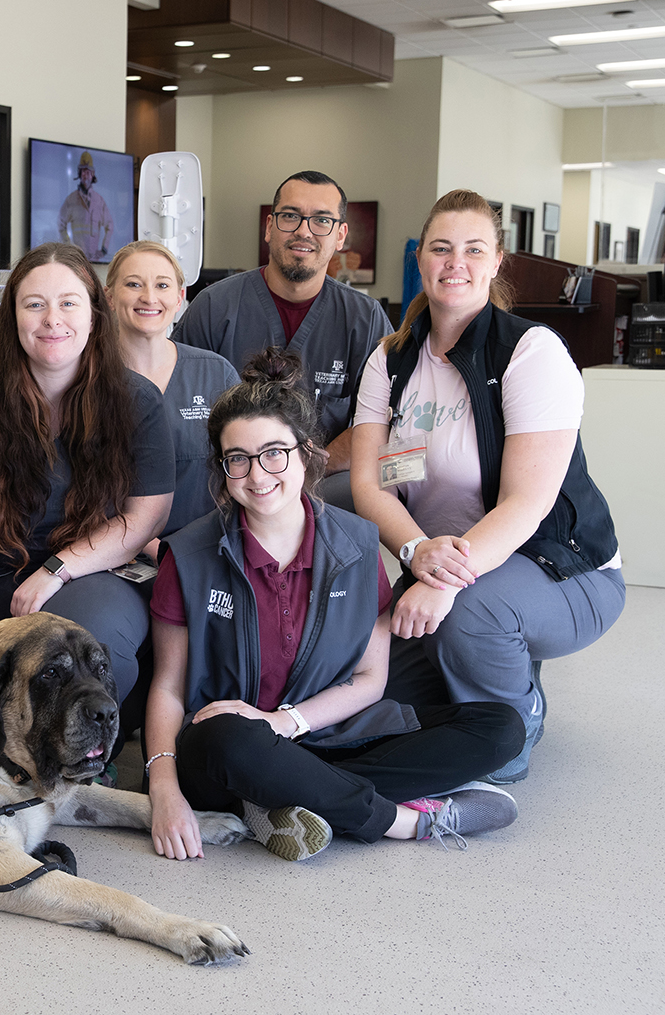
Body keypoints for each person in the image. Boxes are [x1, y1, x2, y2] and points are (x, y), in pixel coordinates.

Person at [144, 348, 525, 864]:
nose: (258, 476)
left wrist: (287, 723)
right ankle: (402, 820)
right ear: (222, 467)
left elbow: (370, 679)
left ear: (307, 454)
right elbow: (168, 687)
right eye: (238, 459)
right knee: (223, 738)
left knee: (501, 727)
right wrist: (164, 788)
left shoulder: (357, 544)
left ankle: (283, 800)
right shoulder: (187, 556)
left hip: (321, 732)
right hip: (227, 748)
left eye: (275, 453)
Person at [352, 189, 626, 785]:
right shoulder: (392, 359)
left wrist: (445, 581)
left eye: (474, 249)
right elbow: (369, 485)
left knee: (469, 615)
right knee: (372, 680)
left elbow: (528, 504)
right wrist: (416, 554)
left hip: (562, 570)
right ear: (420, 257)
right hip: (443, 563)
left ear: (497, 261)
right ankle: (488, 670)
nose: (457, 263)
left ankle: (515, 725)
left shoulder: (531, 352)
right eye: (442, 248)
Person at [0, 241, 173, 708]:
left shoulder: (136, 400)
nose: (52, 319)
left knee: (78, 654)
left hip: (94, 572)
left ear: (94, 315)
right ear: (13, 317)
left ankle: (79, 762)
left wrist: (58, 569)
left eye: (68, 303)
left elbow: (144, 520)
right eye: (34, 304)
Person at [178, 170, 390, 510]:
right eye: (290, 216)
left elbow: (379, 421)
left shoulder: (365, 321)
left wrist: (302, 473)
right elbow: (179, 404)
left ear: (340, 235)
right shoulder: (214, 307)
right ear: (269, 227)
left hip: (322, 496)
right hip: (222, 492)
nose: (304, 231)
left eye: (321, 220)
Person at [106, 239, 239, 546]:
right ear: (109, 296)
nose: (149, 297)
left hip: (205, 551)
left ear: (180, 298)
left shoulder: (215, 374)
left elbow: (242, 468)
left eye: (162, 285)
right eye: (133, 284)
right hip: (113, 552)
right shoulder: (86, 378)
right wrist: (154, 550)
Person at [57, 150, 114, 261]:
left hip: (94, 260)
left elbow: (110, 225)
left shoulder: (99, 201)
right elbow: (60, 224)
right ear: (79, 173)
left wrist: (104, 249)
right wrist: (69, 248)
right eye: (83, 171)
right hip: (76, 260)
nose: (86, 175)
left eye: (89, 172)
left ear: (93, 175)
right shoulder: (71, 199)